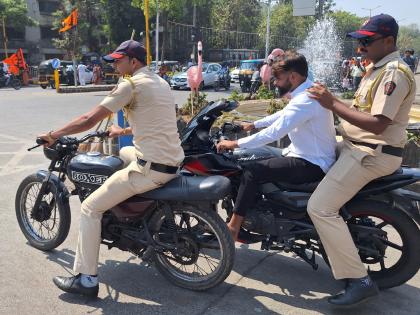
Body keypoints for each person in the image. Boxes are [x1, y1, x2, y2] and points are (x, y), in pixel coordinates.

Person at [39, 40, 184, 297]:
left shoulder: (130, 84)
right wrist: (122, 131)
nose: (115, 64)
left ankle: (85, 280)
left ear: (134, 62)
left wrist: (54, 134)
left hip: (150, 169)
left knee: (89, 207)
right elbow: (158, 121)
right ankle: (125, 210)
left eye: (118, 60)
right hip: (171, 161)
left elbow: (89, 119)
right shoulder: (160, 82)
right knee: (122, 153)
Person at [307, 14, 416, 306]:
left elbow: (378, 124)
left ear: (389, 41)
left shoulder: (393, 72)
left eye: (366, 41)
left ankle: (360, 280)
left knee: (319, 207)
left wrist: (332, 103)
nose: (360, 48)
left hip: (370, 153)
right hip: (355, 146)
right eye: (359, 41)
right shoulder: (375, 69)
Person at [216, 52, 337, 241]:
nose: (275, 83)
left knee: (251, 172)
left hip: (312, 163)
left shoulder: (306, 100)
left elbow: (274, 133)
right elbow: (283, 114)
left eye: (278, 78)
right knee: (252, 155)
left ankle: (233, 228)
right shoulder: (307, 92)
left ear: (293, 77)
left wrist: (235, 142)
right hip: (302, 155)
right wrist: (253, 124)